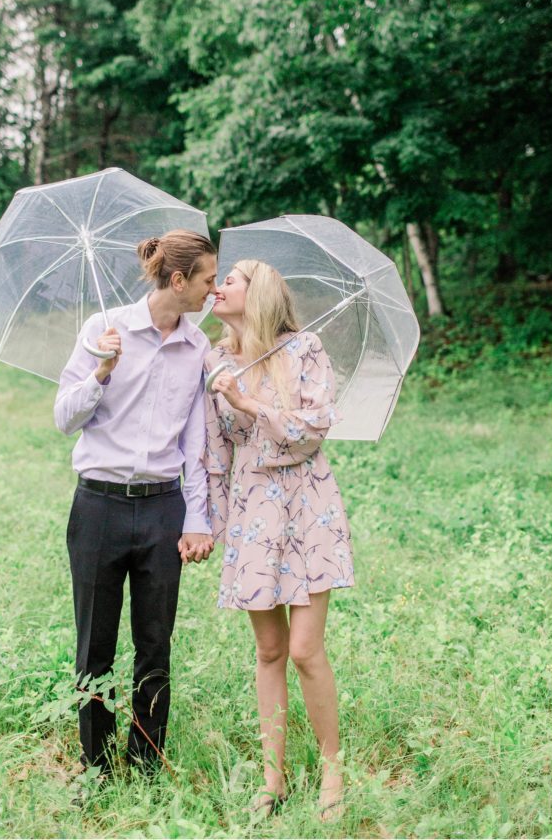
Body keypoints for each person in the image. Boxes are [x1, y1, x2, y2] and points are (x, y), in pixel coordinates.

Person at [55, 229, 216, 775]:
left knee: (155, 644)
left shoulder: (199, 348)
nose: (212, 292)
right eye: (208, 281)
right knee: (94, 643)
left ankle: (146, 763)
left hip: (162, 509)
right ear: (178, 280)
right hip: (98, 505)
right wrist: (101, 370)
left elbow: (195, 443)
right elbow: (63, 418)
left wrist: (197, 517)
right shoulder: (105, 330)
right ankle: (96, 766)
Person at [204, 260, 354, 821]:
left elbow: (313, 430)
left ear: (259, 290)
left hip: (306, 504)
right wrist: (214, 525)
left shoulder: (304, 349)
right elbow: (216, 448)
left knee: (304, 649)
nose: (217, 288)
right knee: (268, 650)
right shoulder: (215, 360)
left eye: (230, 280)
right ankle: (273, 779)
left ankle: (333, 770)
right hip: (251, 511)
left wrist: (251, 404)